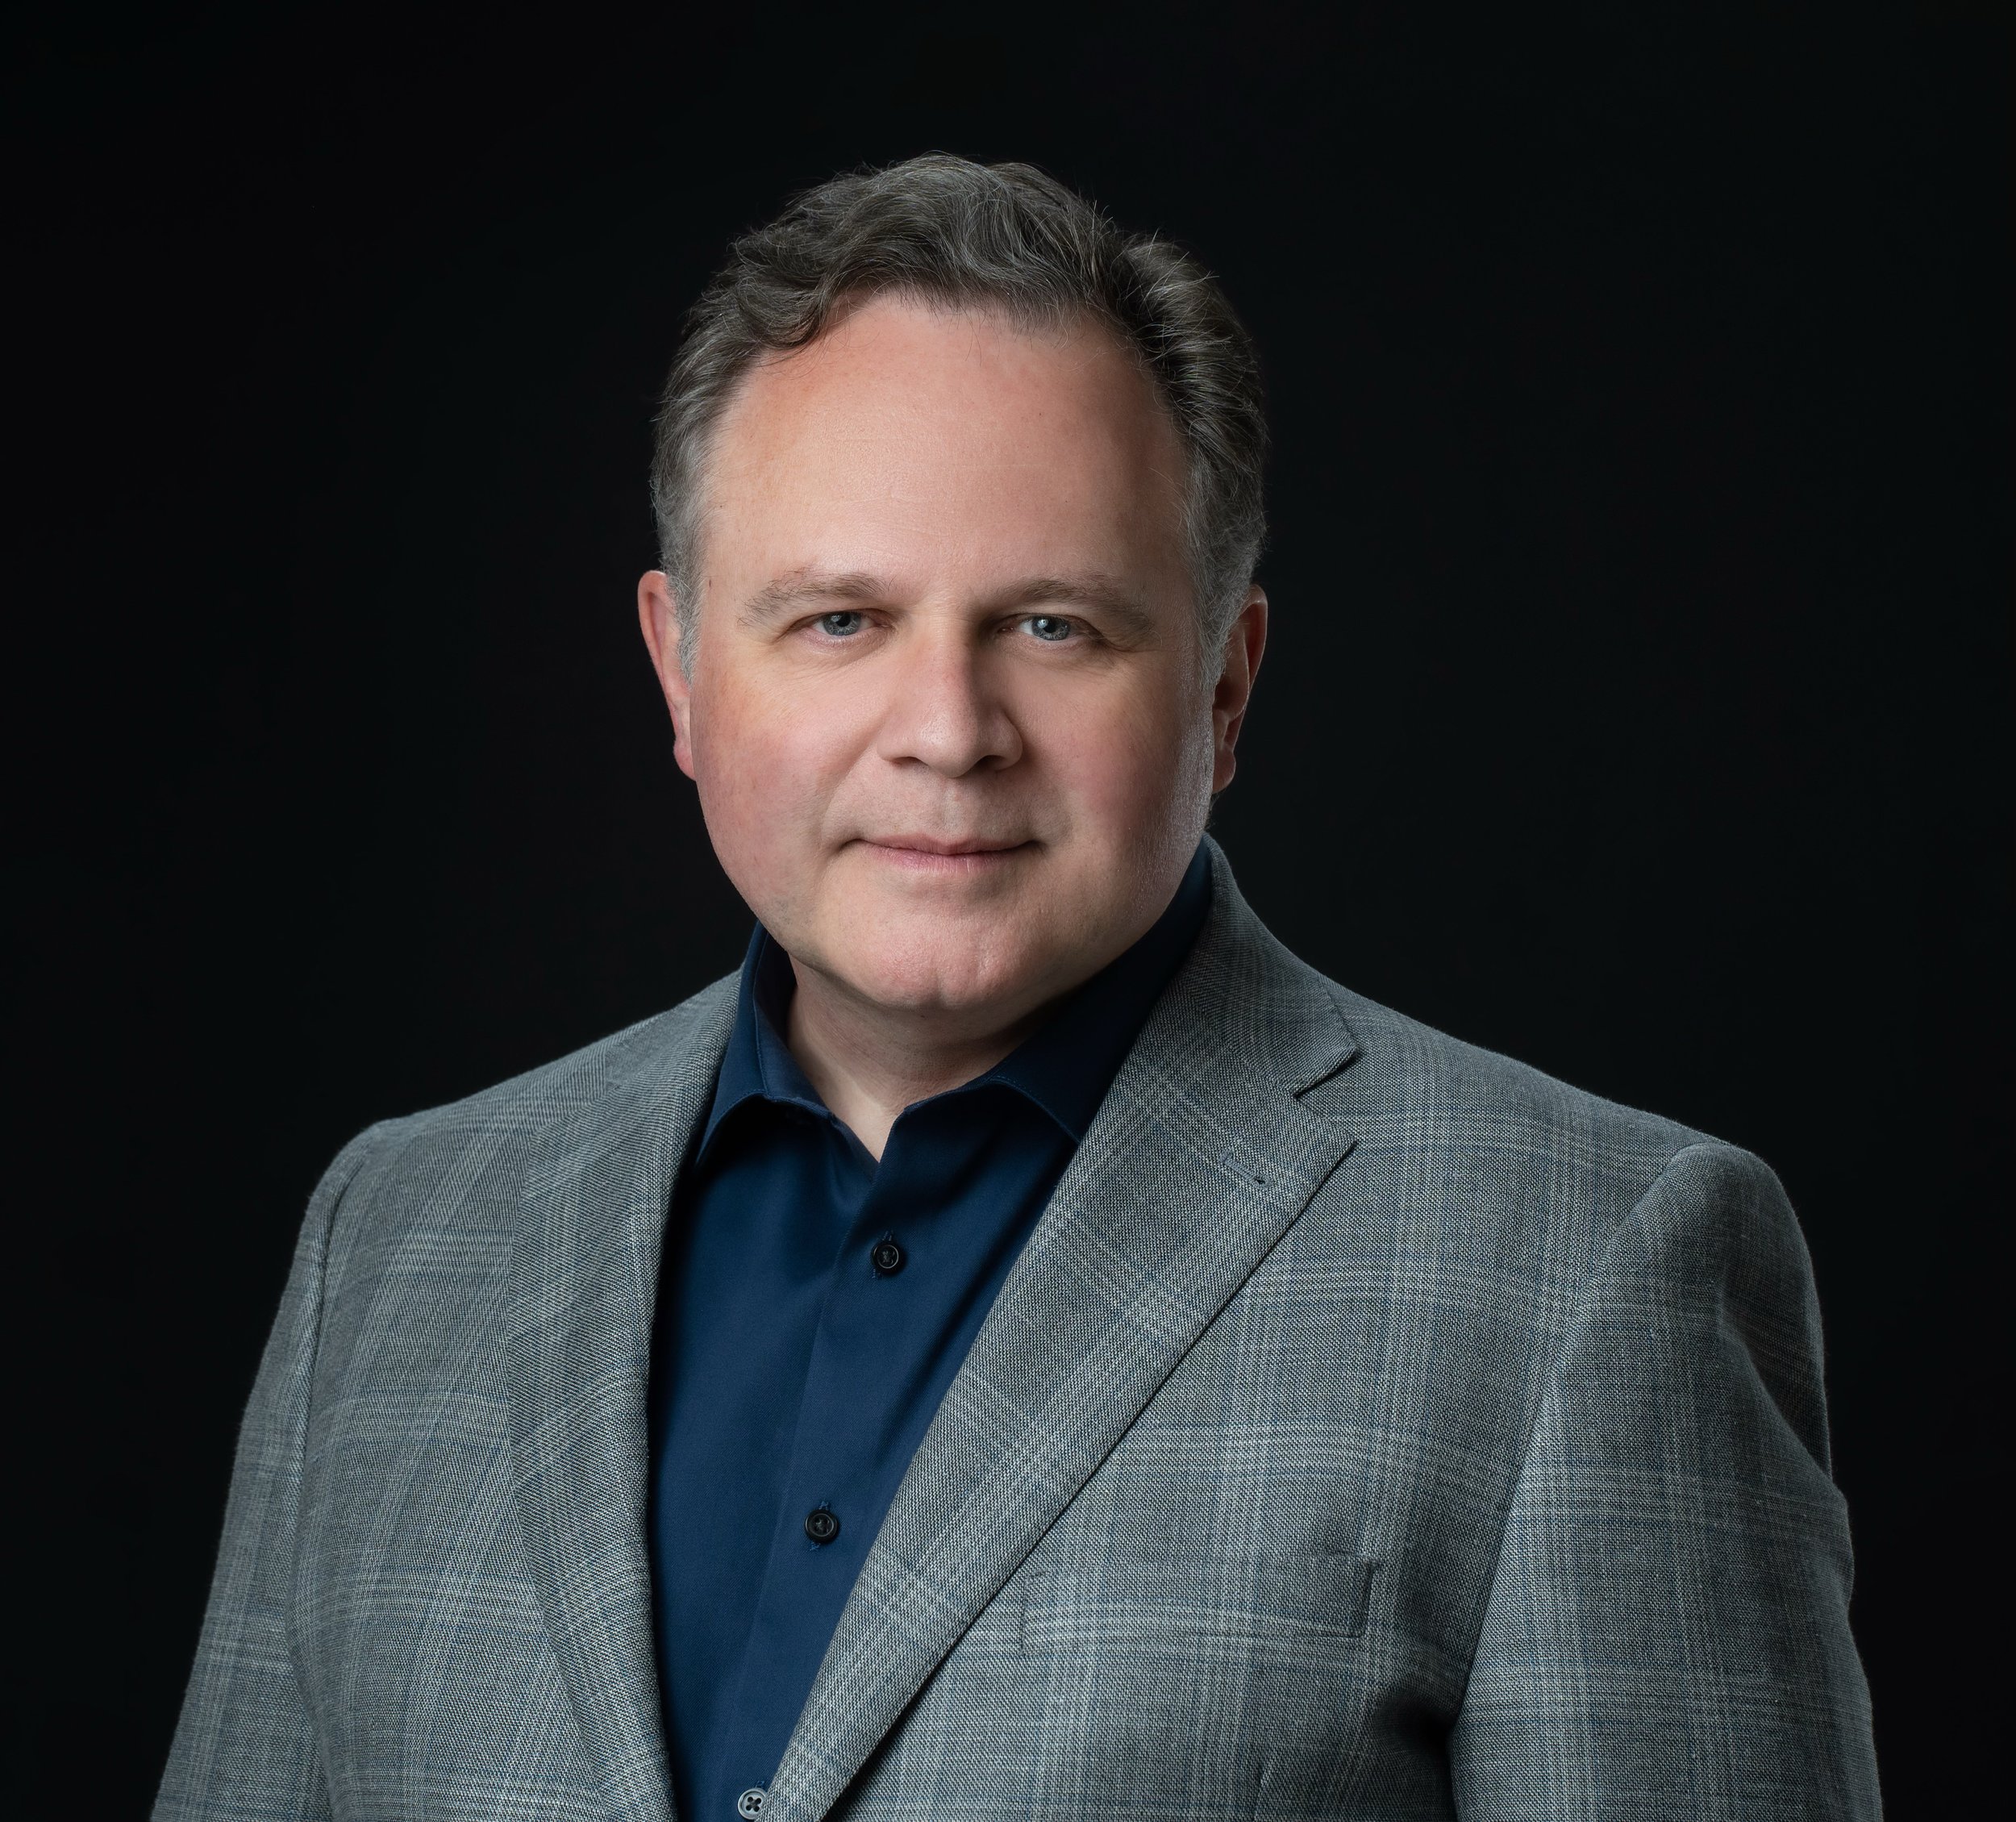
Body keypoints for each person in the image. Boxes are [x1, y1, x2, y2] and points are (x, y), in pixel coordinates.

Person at [156, 155, 1880, 1821]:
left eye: (1052, 625)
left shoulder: (1589, 1265)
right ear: (680, 670)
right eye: (837, 619)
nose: (947, 730)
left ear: (1221, 680)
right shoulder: (391, 1237)